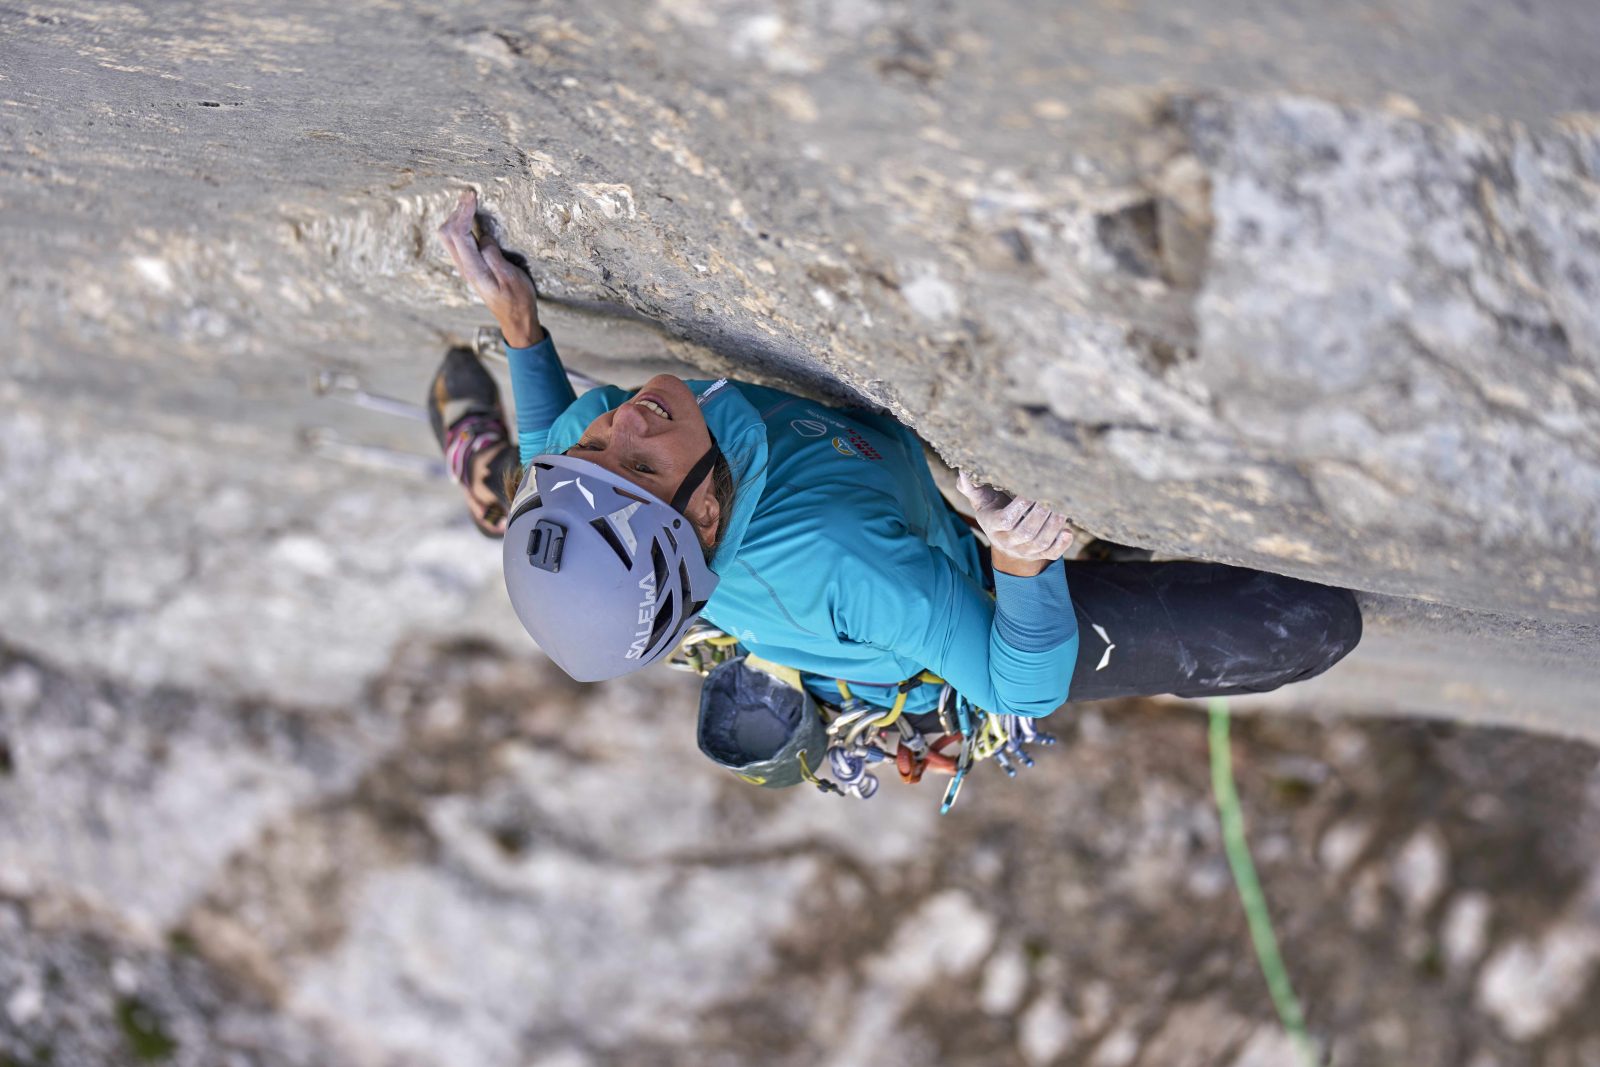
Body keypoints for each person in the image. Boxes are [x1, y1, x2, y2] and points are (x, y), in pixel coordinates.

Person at [430, 189, 1361, 751]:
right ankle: (490, 496)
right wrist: (1020, 562)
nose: (626, 421)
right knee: (1314, 624)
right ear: (703, 515)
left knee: (534, 487)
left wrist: (522, 327)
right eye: (638, 460)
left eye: (598, 452)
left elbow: (563, 435)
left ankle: (490, 481)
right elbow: (1013, 689)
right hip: (929, 605)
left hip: (754, 576)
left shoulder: (599, 452)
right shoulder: (851, 568)